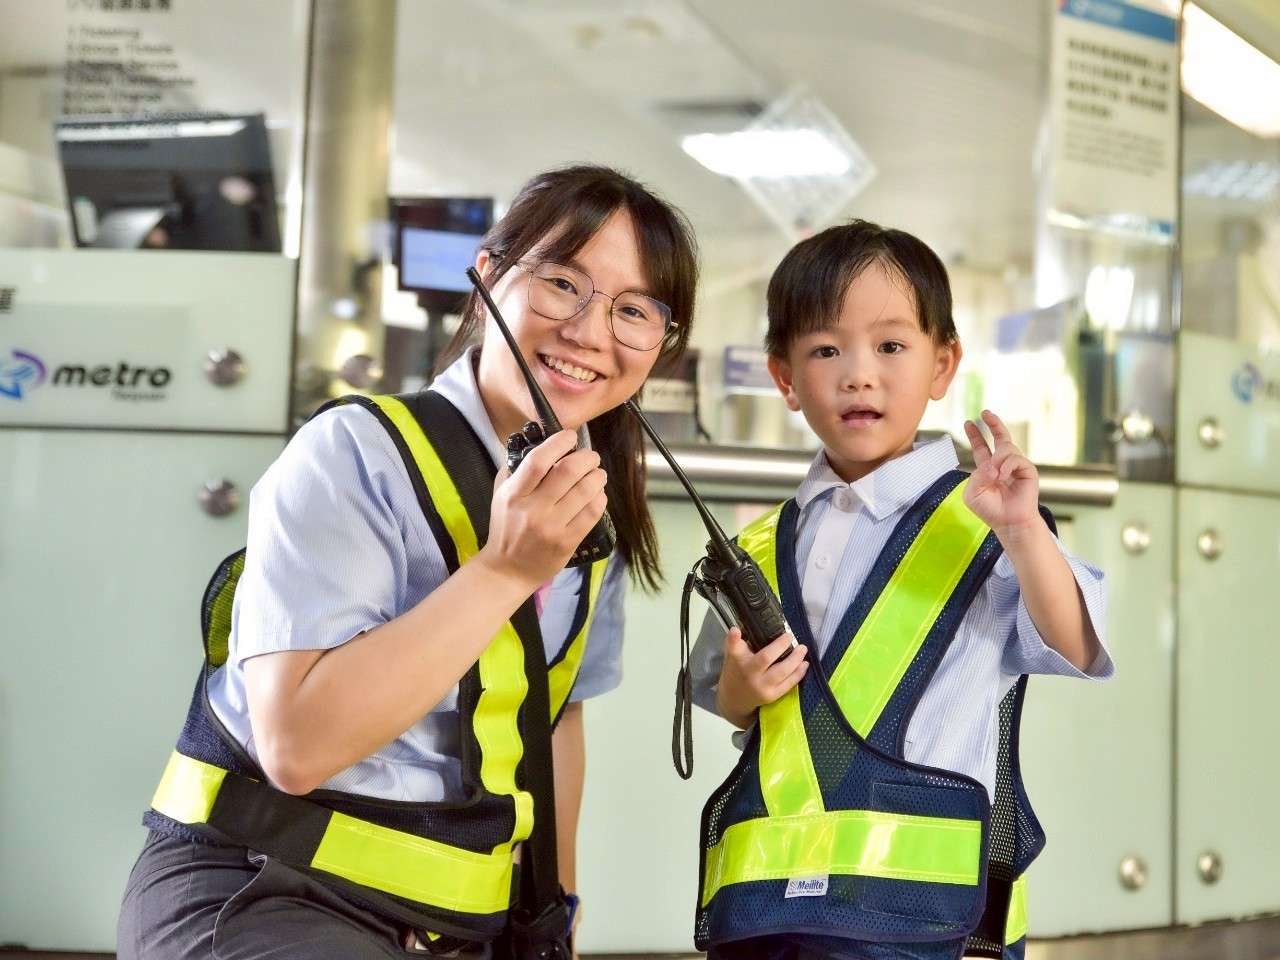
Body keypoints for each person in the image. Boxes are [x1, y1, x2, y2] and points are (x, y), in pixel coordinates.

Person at [117, 164, 699, 960]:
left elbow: (553, 715)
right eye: (563, 283)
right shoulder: (353, 454)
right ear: (487, 278)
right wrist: (502, 572)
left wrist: (556, 912)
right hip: (269, 885)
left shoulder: (586, 496)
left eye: (633, 310)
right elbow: (297, 745)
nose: (591, 332)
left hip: (454, 920)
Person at [688, 220, 1112, 960]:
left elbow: (1075, 643)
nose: (859, 373)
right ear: (784, 377)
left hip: (929, 926)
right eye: (826, 349)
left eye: (891, 346)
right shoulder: (756, 546)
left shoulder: (989, 524)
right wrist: (741, 686)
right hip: (767, 919)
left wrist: (1024, 531)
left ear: (943, 364)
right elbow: (722, 698)